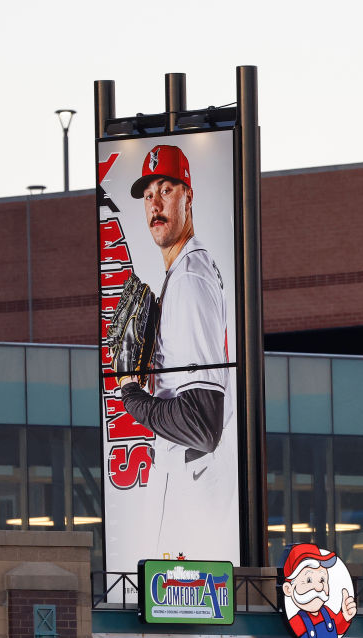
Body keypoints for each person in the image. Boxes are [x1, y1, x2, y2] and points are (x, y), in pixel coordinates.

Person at [117, 144, 238, 560]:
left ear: (188, 196)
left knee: (175, 600)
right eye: (148, 195)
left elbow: (202, 426)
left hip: (192, 482)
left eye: (166, 190)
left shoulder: (188, 279)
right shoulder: (187, 269)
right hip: (194, 477)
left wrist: (132, 395)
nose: (155, 204)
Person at [281, 543, 357, 638]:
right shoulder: (296, 622)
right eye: (309, 580)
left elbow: (338, 629)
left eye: (322, 580)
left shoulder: (327, 612)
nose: (319, 587)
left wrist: (345, 617)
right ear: (288, 589)